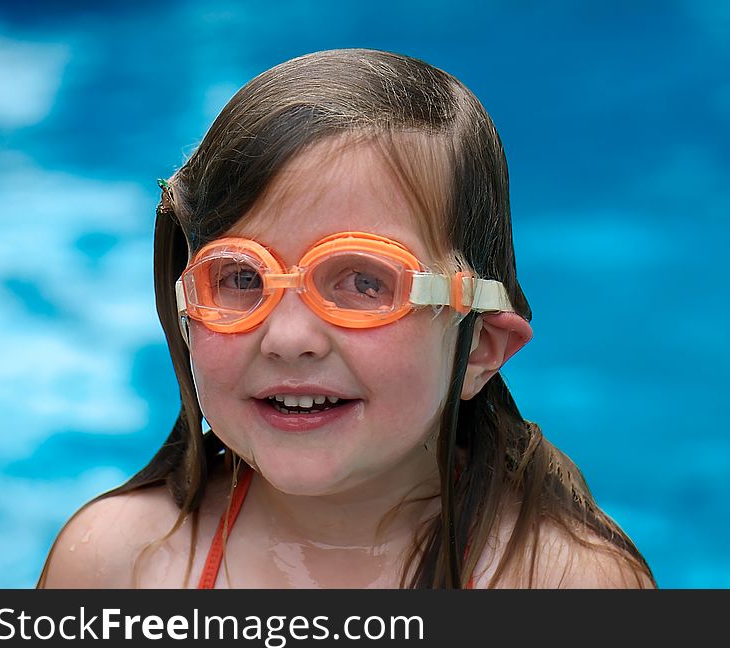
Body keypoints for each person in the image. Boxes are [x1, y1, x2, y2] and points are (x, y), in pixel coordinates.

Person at [37, 48, 655, 589]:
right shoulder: (121, 564)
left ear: (479, 348)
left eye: (364, 283)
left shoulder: (560, 585)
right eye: (242, 279)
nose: (288, 338)